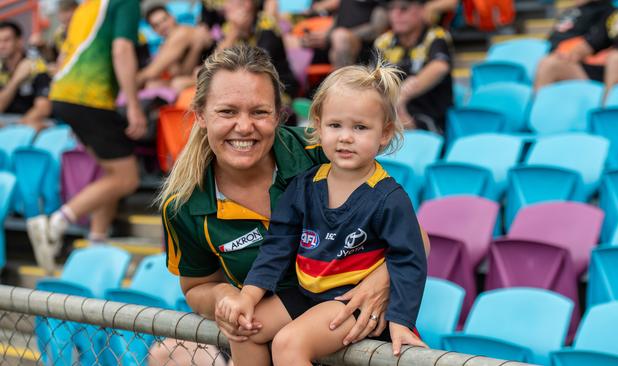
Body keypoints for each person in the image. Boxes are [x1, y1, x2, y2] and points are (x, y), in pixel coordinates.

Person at [159, 45, 429, 356]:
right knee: (243, 330)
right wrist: (228, 298)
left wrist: (379, 285)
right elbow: (197, 287)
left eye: (259, 112)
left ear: (278, 115)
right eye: (227, 111)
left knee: (290, 342)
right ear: (201, 115)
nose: (244, 126)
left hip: (345, 310)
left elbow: (414, 238)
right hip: (296, 302)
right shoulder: (182, 204)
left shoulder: (320, 152)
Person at [27, 0, 146, 274]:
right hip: (89, 97)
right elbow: (122, 49)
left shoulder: (88, 6)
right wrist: (133, 105)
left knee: (111, 173)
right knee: (126, 178)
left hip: (64, 95)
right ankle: (56, 223)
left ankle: (97, 241)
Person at [535, 0, 618, 91]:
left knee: (617, 59)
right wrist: (571, 54)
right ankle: (533, 117)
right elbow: (592, 43)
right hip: (613, 70)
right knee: (550, 64)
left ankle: (606, 116)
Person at [375, 0, 453, 133]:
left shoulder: (436, 36)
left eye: (404, 8)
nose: (396, 14)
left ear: (422, 10)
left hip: (431, 117)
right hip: (392, 115)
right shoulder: (383, 42)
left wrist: (403, 94)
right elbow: (374, 80)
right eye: (391, 9)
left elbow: (440, 66)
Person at [216, 0, 299, 98]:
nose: (224, 6)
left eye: (229, 1)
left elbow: (257, 65)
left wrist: (233, 34)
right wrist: (232, 35)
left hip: (279, 89)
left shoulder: (266, 24)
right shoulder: (229, 28)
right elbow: (214, 66)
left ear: (246, 4)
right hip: (247, 87)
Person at [138, 4, 214, 91]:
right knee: (156, 84)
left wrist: (133, 81)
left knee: (173, 83)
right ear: (153, 30)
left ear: (172, 17)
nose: (163, 26)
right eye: (156, 25)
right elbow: (182, 73)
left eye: (164, 20)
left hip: (218, 65)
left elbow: (152, 72)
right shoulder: (166, 45)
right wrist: (195, 49)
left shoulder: (181, 32)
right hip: (202, 71)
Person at [302, 0, 389, 69]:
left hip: (362, 49)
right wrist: (325, 36)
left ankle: (343, 82)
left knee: (340, 37)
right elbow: (336, 23)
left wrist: (345, 34)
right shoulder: (346, 2)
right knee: (296, 40)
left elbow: (376, 30)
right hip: (333, 43)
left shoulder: (378, 3)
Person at [0, 21, 52, 130]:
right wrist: (16, 80)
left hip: (34, 125)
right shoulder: (1, 69)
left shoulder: (37, 65)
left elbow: (43, 108)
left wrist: (18, 127)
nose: (1, 45)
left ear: (19, 41)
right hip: (7, 124)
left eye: (6, 40)